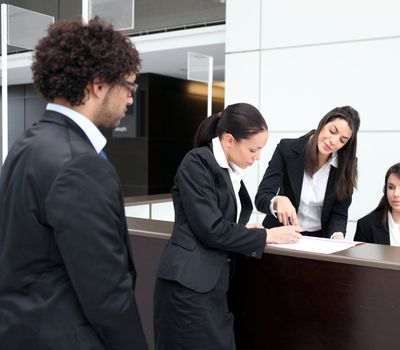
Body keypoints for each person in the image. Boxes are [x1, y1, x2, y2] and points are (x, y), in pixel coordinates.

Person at [0, 18, 148, 349]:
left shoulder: (27, 143)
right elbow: (107, 292)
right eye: (129, 87)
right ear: (98, 85)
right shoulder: (79, 164)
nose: (129, 100)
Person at [154, 103, 302, 350]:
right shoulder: (197, 163)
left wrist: (248, 231)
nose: (257, 157)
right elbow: (210, 229)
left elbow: (222, 223)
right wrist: (267, 235)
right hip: (188, 286)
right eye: (253, 150)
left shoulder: (228, 171)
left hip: (213, 286)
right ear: (230, 140)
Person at [255, 106, 360, 239]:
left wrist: (337, 236)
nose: (333, 141)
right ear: (323, 123)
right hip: (280, 233)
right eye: (332, 131)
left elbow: (339, 213)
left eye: (342, 140)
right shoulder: (287, 149)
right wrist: (277, 201)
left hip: (318, 239)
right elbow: (261, 197)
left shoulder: (346, 165)